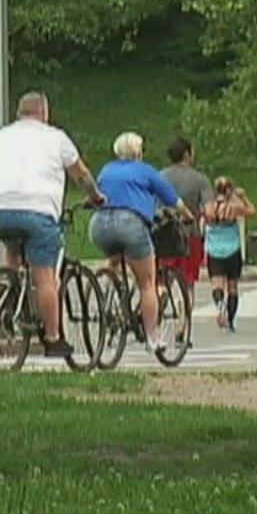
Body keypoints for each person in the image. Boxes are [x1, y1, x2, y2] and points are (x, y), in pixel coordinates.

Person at [0, 91, 105, 358]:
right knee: (45, 278)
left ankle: (8, 287)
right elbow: (81, 174)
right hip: (38, 211)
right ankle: (53, 338)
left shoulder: (2, 136)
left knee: (14, 248)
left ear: (19, 113)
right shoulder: (56, 138)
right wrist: (95, 196)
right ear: (44, 112)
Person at [89, 132, 194, 353]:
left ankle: (107, 289)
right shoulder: (145, 170)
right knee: (147, 283)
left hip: (99, 224)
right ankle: (152, 337)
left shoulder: (107, 169)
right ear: (138, 152)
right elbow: (173, 199)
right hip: (130, 222)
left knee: (116, 258)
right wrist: (188, 216)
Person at [159, 136, 213, 348]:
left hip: (162, 234)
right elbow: (208, 211)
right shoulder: (200, 180)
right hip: (188, 236)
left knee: (162, 282)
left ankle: (154, 324)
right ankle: (182, 329)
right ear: (187, 154)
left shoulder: (159, 177)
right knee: (187, 283)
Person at [202, 176, 257, 332]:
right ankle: (231, 321)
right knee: (232, 287)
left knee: (216, 284)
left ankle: (220, 304)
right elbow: (252, 211)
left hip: (214, 250)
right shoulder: (234, 207)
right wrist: (243, 197)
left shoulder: (209, 207)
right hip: (232, 249)